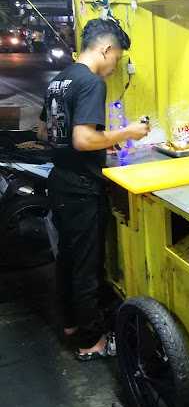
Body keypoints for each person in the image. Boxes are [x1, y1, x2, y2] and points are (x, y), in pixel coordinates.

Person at [38, 19, 149, 361]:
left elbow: (45, 132)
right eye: (117, 58)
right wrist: (127, 133)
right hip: (83, 189)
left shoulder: (61, 79)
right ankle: (92, 342)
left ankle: (71, 324)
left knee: (68, 259)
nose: (115, 66)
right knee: (87, 266)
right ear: (106, 48)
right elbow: (83, 138)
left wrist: (104, 146)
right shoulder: (91, 82)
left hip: (60, 181)